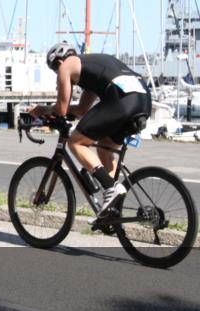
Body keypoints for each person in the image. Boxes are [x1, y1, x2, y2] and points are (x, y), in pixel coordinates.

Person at [31, 42, 152, 218]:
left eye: (55, 71)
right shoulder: (92, 69)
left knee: (75, 142)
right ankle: (112, 208)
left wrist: (42, 110)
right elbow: (81, 110)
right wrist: (59, 111)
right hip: (142, 101)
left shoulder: (66, 65)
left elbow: (61, 109)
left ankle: (110, 188)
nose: (58, 75)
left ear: (57, 61)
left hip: (121, 101)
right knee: (104, 148)